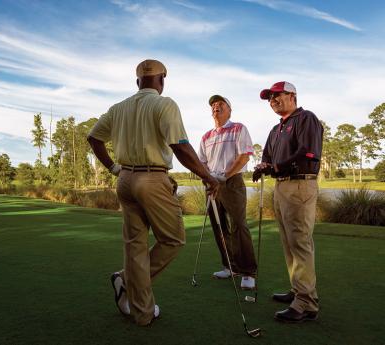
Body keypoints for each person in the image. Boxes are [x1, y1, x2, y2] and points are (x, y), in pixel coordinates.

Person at [87, 59, 219, 326]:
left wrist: (114, 168)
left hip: (124, 179)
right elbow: (180, 147)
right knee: (173, 239)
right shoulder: (164, 103)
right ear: (162, 80)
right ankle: (126, 280)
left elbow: (93, 137)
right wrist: (208, 176)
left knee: (135, 243)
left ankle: (143, 312)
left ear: (138, 82)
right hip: (152, 178)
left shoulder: (118, 108)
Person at [253, 81, 323, 323]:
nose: (272, 100)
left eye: (277, 96)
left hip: (300, 184)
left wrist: (275, 166)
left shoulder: (306, 119)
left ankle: (306, 303)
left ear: (292, 95)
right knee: (288, 242)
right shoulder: (276, 129)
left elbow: (307, 153)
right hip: (281, 186)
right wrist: (264, 166)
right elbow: (268, 156)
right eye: (269, 98)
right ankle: (298, 291)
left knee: (300, 242)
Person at [198, 95, 257, 290]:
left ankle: (248, 272)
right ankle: (230, 266)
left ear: (229, 110)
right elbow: (202, 163)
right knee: (218, 226)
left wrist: (224, 175)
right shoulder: (206, 136)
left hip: (232, 182)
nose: (216, 107)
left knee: (238, 225)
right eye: (214, 105)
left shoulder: (238, 128)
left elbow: (244, 156)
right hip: (212, 184)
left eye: (221, 104)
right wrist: (208, 179)